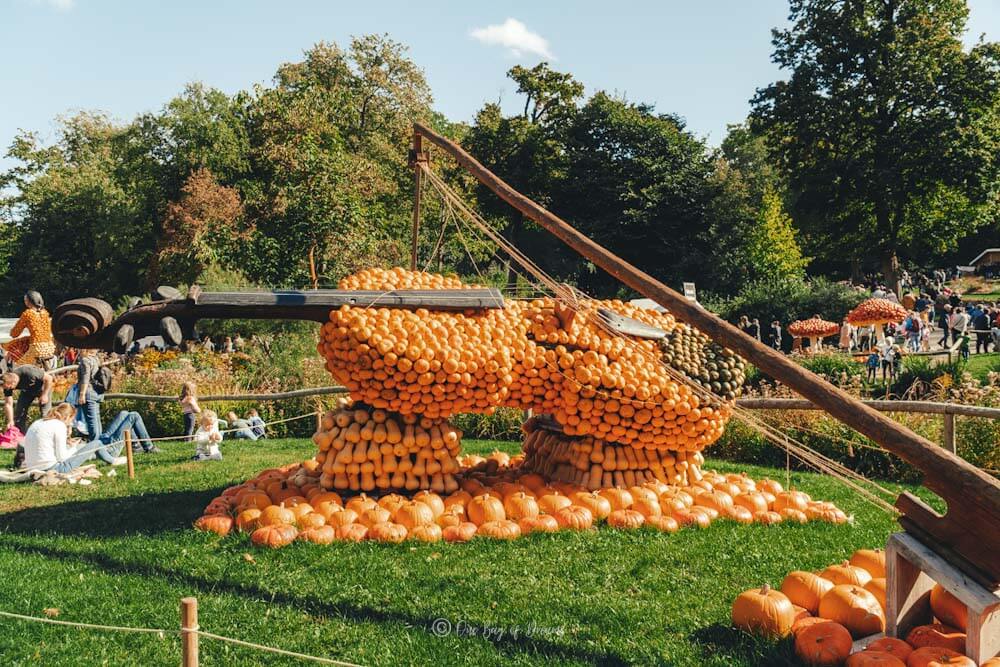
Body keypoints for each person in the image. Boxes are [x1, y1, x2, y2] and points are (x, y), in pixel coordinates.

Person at [3, 366, 53, 468]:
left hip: (43, 388)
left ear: (12, 383)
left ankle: (47, 442)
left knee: (46, 415)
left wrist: (45, 395)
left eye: (8, 388)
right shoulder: (7, 382)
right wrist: (10, 420)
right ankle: (24, 443)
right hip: (27, 392)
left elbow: (49, 378)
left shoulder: (28, 372)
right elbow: (8, 403)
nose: (7, 389)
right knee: (19, 414)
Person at [4, 291, 57, 370]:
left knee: (18, 368)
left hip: (37, 349)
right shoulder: (45, 313)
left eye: (25, 300)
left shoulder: (28, 314)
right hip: (50, 347)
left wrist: (13, 331)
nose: (25, 302)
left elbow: (14, 334)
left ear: (29, 301)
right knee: (24, 341)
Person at [74, 349, 104, 440]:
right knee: (96, 420)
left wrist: (82, 394)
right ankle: (99, 444)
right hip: (96, 393)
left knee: (92, 422)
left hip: (89, 393)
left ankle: (94, 446)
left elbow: (85, 378)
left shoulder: (85, 360)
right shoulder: (96, 359)